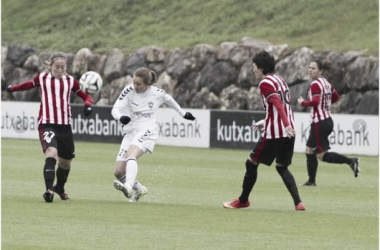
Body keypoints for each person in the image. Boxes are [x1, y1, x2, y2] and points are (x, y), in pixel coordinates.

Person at [223, 51, 305, 211]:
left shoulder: (265, 83)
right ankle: (298, 203)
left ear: (261, 68)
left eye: (254, 67)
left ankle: (243, 200)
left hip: (276, 132)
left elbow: (276, 102)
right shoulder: (280, 80)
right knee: (281, 167)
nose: (253, 70)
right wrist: (267, 121)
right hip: (289, 131)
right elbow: (283, 105)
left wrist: (284, 123)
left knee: (251, 162)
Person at [6, 52, 93, 202]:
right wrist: (13, 88)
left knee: (65, 164)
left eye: (63, 67)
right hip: (47, 123)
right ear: (51, 66)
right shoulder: (42, 78)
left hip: (65, 126)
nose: (60, 70)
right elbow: (27, 85)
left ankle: (59, 187)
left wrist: (87, 105)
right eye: (57, 67)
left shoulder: (71, 81)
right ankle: (49, 190)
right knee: (51, 152)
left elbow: (86, 96)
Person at [111, 67, 196, 202]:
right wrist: (120, 117)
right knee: (119, 172)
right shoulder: (128, 90)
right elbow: (115, 109)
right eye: (133, 82)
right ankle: (139, 189)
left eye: (138, 84)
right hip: (130, 132)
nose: (135, 86)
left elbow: (170, 100)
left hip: (147, 130)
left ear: (148, 84)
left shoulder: (157, 93)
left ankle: (128, 186)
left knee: (131, 154)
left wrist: (183, 113)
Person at [297, 59, 360, 186]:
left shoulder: (315, 84)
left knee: (321, 155)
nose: (310, 70)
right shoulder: (326, 83)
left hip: (319, 123)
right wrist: (325, 106)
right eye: (309, 67)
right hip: (326, 120)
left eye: (313, 68)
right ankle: (311, 181)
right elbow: (336, 97)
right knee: (309, 150)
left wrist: (303, 103)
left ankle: (351, 161)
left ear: (320, 71)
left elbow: (315, 102)